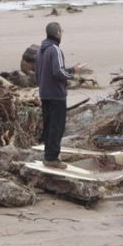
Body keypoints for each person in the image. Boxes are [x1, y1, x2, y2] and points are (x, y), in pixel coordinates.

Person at [36, 22, 77, 167]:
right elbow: (59, 72)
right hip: (56, 95)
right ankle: (52, 158)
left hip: (45, 94)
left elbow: (37, 73)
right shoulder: (55, 50)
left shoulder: (41, 50)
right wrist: (72, 71)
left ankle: (49, 155)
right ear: (58, 33)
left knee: (49, 126)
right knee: (57, 126)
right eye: (61, 32)